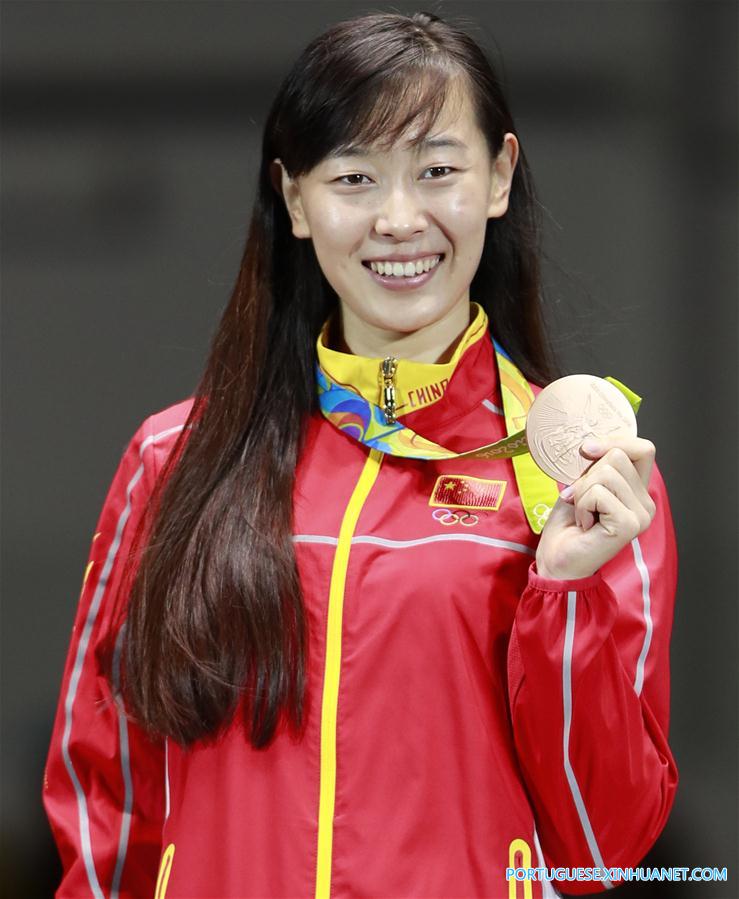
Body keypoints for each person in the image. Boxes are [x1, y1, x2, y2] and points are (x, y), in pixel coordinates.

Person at [43, 10, 678, 899]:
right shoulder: (172, 460)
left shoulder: (583, 481)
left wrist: (566, 596)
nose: (397, 218)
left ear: (498, 176)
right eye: (353, 177)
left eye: (437, 171)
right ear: (296, 199)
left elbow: (601, 848)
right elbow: (103, 790)